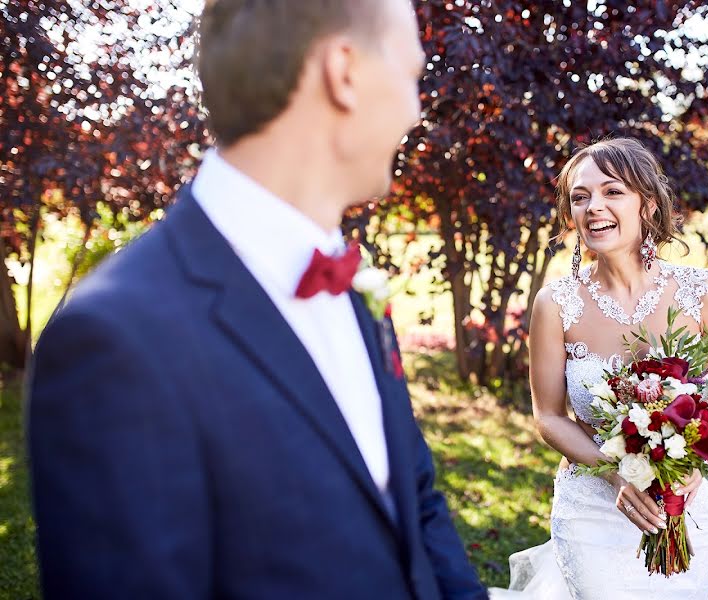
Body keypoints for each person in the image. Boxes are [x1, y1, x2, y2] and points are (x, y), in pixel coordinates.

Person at [27, 1, 487, 598]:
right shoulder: (115, 339)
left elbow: (415, 501)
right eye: (411, 74)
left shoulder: (352, 284)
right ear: (342, 72)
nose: (416, 109)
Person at [492, 138, 708, 599]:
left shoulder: (703, 292)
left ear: (648, 203)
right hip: (592, 512)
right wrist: (617, 474)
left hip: (689, 508)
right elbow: (549, 417)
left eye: (612, 191)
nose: (593, 207)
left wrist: (691, 467)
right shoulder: (555, 304)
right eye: (580, 197)